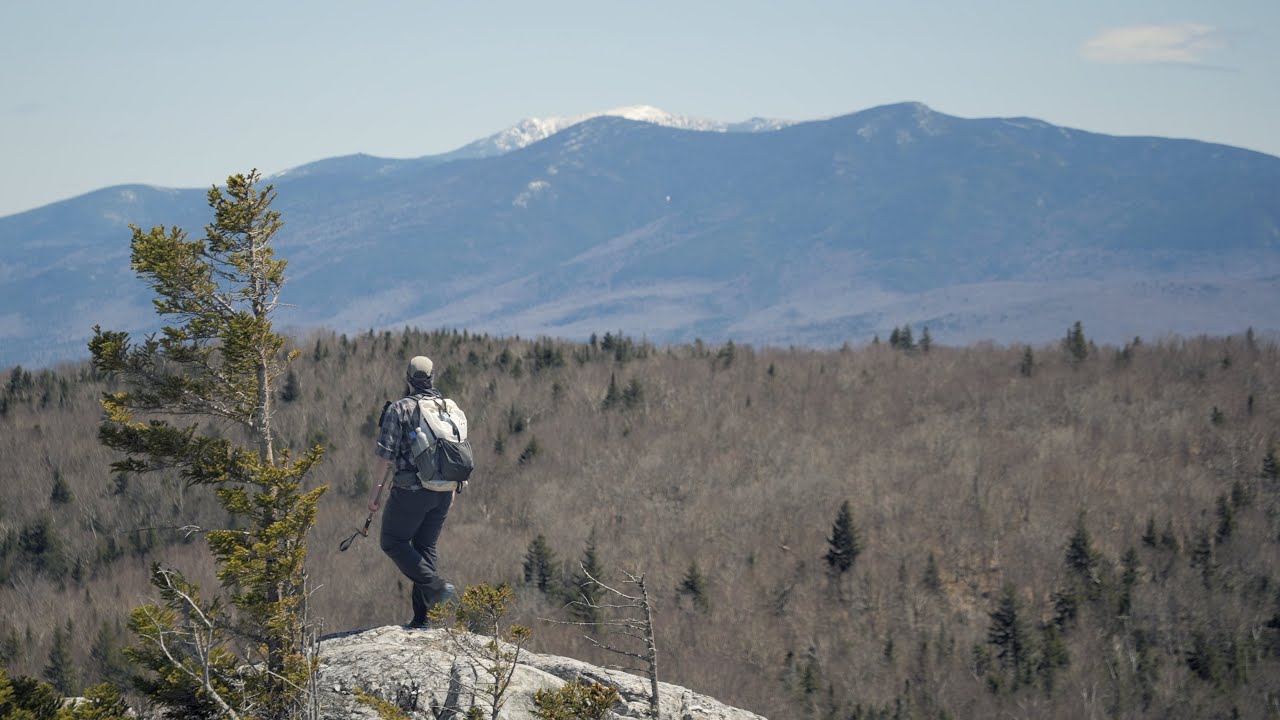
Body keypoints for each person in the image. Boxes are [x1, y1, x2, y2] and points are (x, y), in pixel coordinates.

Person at [368, 355, 457, 627]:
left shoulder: (399, 409)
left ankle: (436, 586)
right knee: (425, 547)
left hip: (411, 491)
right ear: (432, 378)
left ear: (408, 379)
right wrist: (453, 489)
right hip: (444, 490)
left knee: (392, 541)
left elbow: (385, 457)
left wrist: (375, 496)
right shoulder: (447, 407)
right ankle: (422, 619)